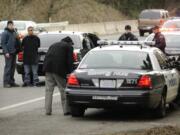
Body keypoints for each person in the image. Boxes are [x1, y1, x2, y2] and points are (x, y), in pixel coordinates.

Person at [43, 36, 74, 116]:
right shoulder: (68, 47)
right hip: (59, 70)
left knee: (48, 90)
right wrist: (70, 73)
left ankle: (48, 110)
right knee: (63, 90)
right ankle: (66, 110)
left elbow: (47, 57)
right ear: (70, 43)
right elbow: (70, 61)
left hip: (48, 69)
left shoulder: (53, 45)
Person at [1, 20, 20, 88]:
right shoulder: (5, 33)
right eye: (10, 25)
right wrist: (6, 52)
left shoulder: (14, 32)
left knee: (12, 68)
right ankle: (6, 83)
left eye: (12, 25)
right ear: (7, 25)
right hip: (8, 53)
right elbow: (3, 44)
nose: (11, 26)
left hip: (14, 52)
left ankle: (11, 82)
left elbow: (17, 40)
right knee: (8, 68)